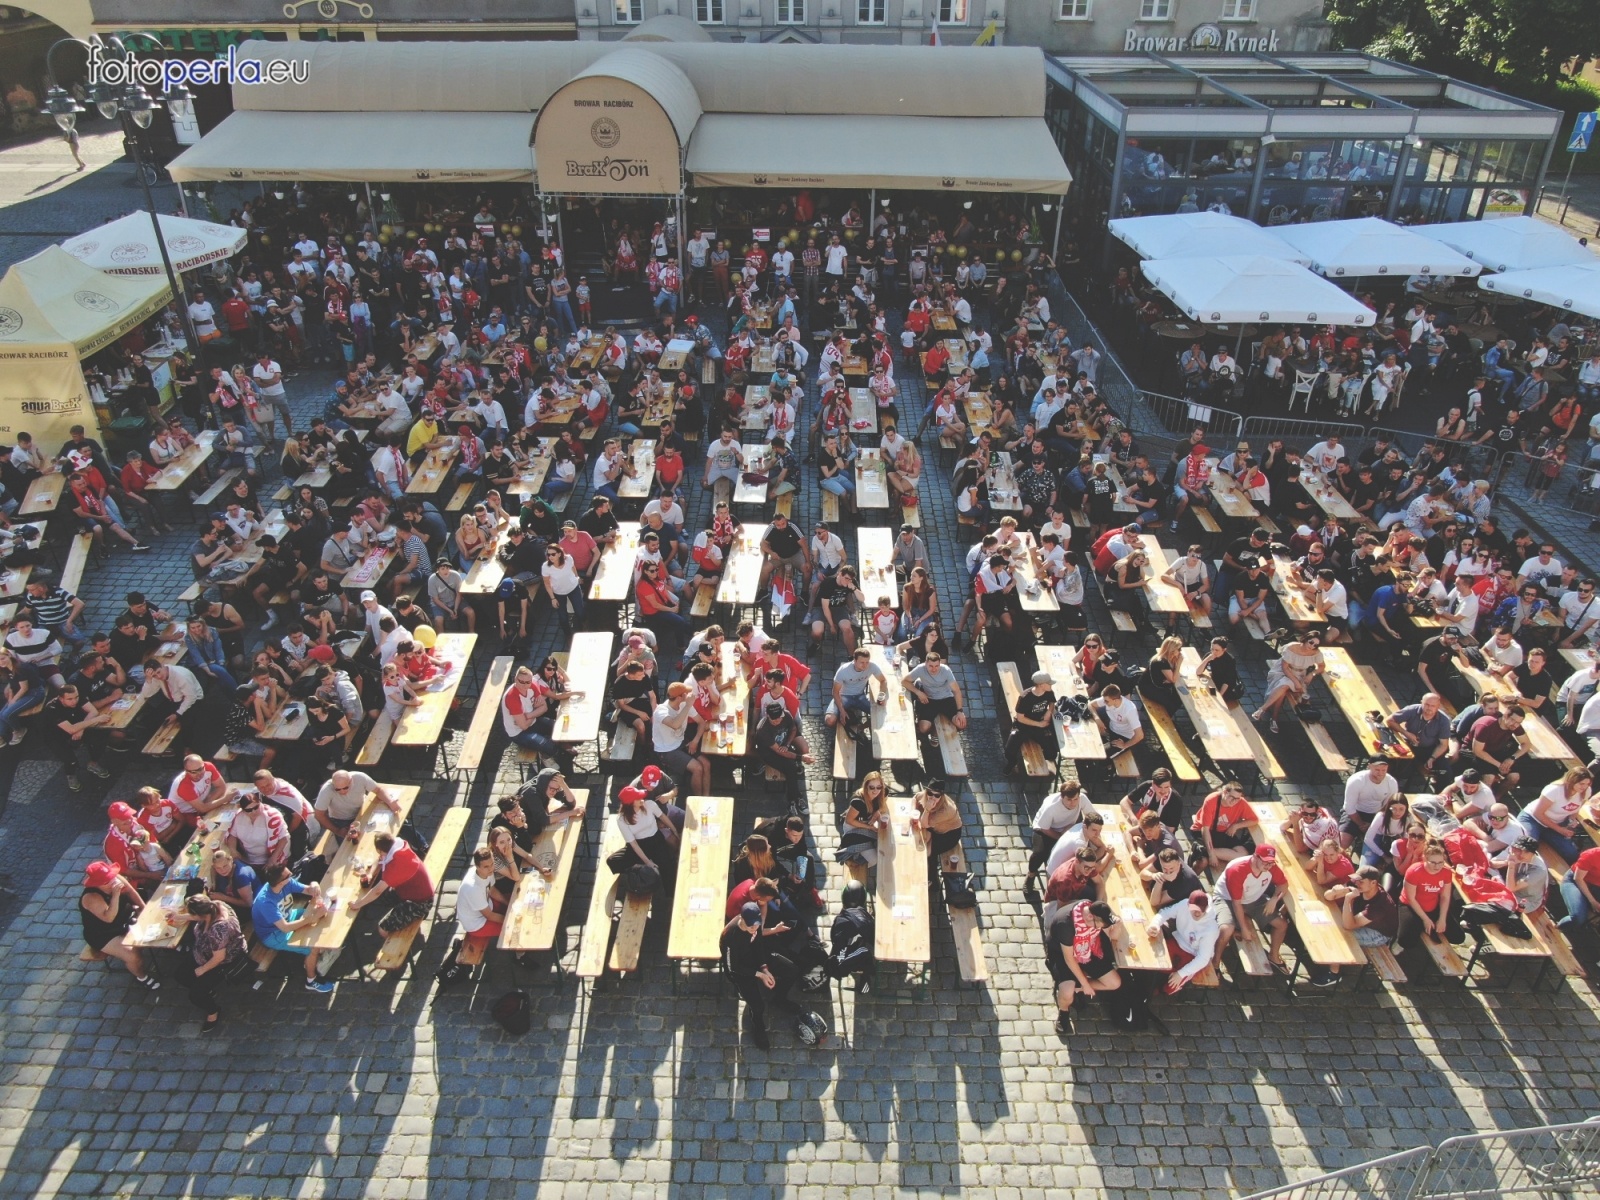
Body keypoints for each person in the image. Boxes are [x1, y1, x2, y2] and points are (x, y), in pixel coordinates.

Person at [166, 894, 248, 1033]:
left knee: (195, 995)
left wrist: (202, 970)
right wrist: (179, 917)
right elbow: (200, 916)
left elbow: (219, 958)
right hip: (204, 953)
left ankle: (213, 1010)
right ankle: (207, 991)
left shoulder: (219, 929)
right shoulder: (213, 906)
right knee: (180, 975)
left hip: (222, 962)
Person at [1045, 899, 1127, 1032]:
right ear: (1090, 917)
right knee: (1066, 992)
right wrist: (1086, 984)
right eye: (1098, 926)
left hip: (1087, 948)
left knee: (1114, 982)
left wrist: (1117, 927)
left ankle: (1077, 988)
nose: (1100, 929)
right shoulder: (1065, 924)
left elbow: (1114, 938)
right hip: (1062, 953)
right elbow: (1069, 958)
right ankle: (1064, 1012)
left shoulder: (1094, 915)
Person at [79, 860, 159, 991]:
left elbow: (130, 891)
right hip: (104, 933)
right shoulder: (91, 898)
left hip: (124, 919)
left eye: (111, 877)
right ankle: (141, 977)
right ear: (100, 884)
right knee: (132, 955)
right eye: (108, 880)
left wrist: (144, 909)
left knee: (157, 923)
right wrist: (115, 895)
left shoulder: (114, 878)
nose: (113, 880)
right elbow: (109, 918)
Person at [1213, 845, 1292, 976]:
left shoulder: (1271, 867)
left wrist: (1274, 899)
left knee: (1282, 925)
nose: (1268, 865)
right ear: (1255, 856)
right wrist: (1244, 929)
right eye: (1265, 861)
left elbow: (1283, 884)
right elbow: (1237, 903)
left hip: (1253, 898)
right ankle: (1215, 962)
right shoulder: (1238, 870)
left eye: (1271, 862)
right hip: (1227, 898)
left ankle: (1273, 956)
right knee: (1226, 929)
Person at [1517, 765, 1591, 866]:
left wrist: (1572, 820)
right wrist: (1560, 830)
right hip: (1533, 819)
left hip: (1555, 824)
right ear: (1571, 781)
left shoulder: (1586, 792)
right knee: (1527, 847)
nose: (1584, 787)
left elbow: (1575, 809)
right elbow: (1538, 813)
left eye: (1587, 784)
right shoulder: (1554, 790)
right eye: (1581, 783)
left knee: (1572, 854)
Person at [1397, 838, 1463, 950]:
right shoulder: (1414, 871)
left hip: (1432, 905)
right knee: (1406, 942)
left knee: (1458, 937)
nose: (1437, 867)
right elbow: (1411, 898)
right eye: (1433, 862)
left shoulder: (1446, 873)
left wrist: (1442, 918)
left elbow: (1445, 896)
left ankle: (1427, 927)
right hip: (1411, 905)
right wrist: (1425, 919)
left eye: (1440, 862)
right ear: (1425, 859)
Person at [1151, 890, 1221, 995]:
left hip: (1194, 955)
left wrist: (1180, 974)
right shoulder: (1183, 904)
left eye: (1201, 910)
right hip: (1177, 941)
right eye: (1194, 910)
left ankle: (1163, 990)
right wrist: (1155, 924)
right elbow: (1165, 913)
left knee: (1171, 985)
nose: (1197, 913)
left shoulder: (1211, 929)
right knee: (1155, 961)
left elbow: (1203, 958)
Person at [1190, 781, 1257, 872]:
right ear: (1225, 792)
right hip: (1204, 831)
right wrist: (1211, 855)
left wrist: (1236, 826)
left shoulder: (1240, 802)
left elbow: (1254, 820)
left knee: (1243, 855)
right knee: (1203, 862)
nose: (1234, 801)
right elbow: (1204, 830)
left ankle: (1203, 851)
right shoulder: (1211, 800)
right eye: (1232, 797)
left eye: (1238, 798)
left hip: (1223, 833)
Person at [1004, 669, 1059, 776]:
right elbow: (1020, 718)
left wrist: (1049, 711)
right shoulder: (1025, 697)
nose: (1051, 685)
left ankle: (1043, 761)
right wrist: (1039, 724)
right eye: (1049, 683)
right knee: (1009, 750)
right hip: (1023, 726)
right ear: (1042, 685)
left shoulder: (1048, 692)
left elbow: (1052, 702)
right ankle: (1012, 762)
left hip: (1039, 725)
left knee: (1052, 753)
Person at [914, 779, 963, 858]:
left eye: (937, 795)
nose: (932, 797)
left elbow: (924, 825)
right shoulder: (926, 795)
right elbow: (915, 798)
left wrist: (927, 810)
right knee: (919, 839)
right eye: (930, 793)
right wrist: (913, 811)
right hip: (933, 826)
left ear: (941, 796)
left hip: (948, 834)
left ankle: (926, 864)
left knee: (925, 852)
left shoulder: (946, 810)